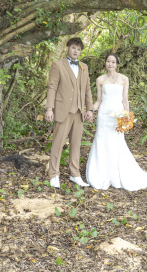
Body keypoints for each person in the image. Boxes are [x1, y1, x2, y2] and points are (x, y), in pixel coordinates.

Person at [85, 53, 147, 191]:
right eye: (108, 61)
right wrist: (91, 111)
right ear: (105, 63)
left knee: (117, 142)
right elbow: (98, 100)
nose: (110, 64)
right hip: (104, 115)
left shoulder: (124, 79)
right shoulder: (100, 80)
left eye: (113, 62)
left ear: (117, 64)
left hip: (117, 115)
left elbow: (125, 99)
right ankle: (101, 173)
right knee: (101, 141)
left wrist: (126, 117)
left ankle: (117, 173)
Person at [45, 37, 94, 188]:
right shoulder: (58, 65)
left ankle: (75, 174)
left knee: (76, 144)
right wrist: (49, 108)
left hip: (79, 111)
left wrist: (90, 109)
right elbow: (52, 87)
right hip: (62, 109)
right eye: (73, 48)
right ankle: (53, 174)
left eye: (79, 49)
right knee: (58, 142)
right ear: (67, 48)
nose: (76, 51)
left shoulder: (84, 67)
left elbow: (87, 89)